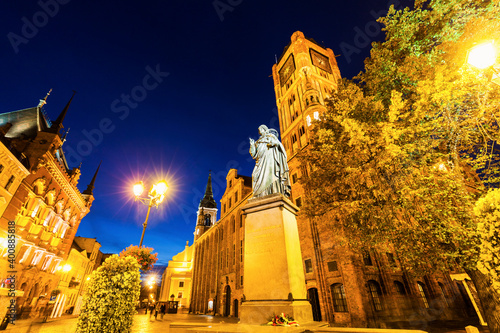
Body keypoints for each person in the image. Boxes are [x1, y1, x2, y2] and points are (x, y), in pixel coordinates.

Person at [249, 125, 291, 198]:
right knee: (255, 175)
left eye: (260, 129)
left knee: (270, 174)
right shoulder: (258, 142)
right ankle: (260, 194)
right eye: (259, 130)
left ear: (264, 129)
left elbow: (278, 144)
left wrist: (272, 143)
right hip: (260, 161)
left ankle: (272, 191)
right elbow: (254, 154)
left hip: (269, 158)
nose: (259, 131)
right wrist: (252, 145)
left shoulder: (271, 136)